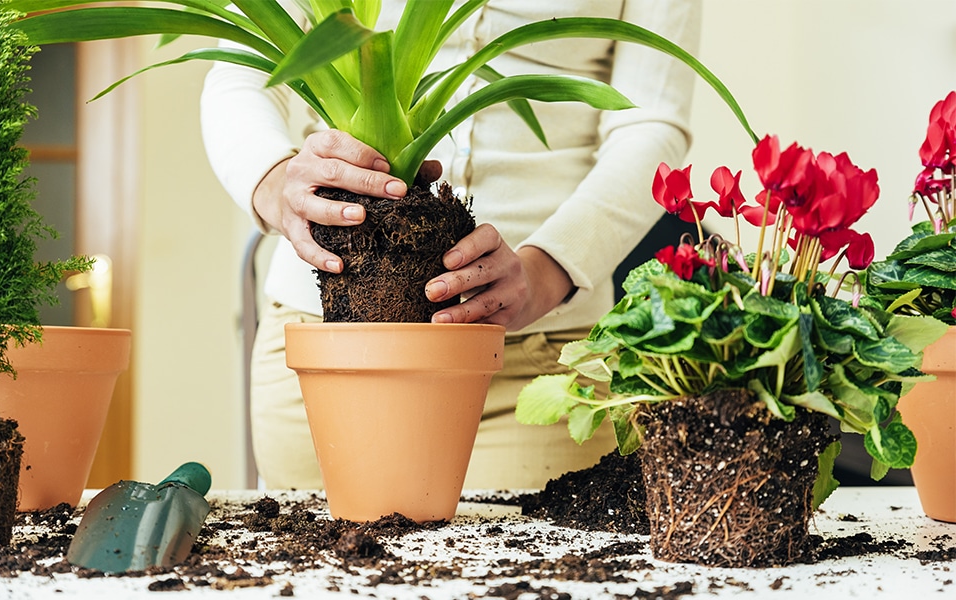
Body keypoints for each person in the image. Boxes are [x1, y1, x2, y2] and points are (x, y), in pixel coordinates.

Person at [200, 0, 701, 490]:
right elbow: (241, 70)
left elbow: (649, 119)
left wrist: (546, 271)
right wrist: (277, 185)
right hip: (326, 341)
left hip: (531, 358)